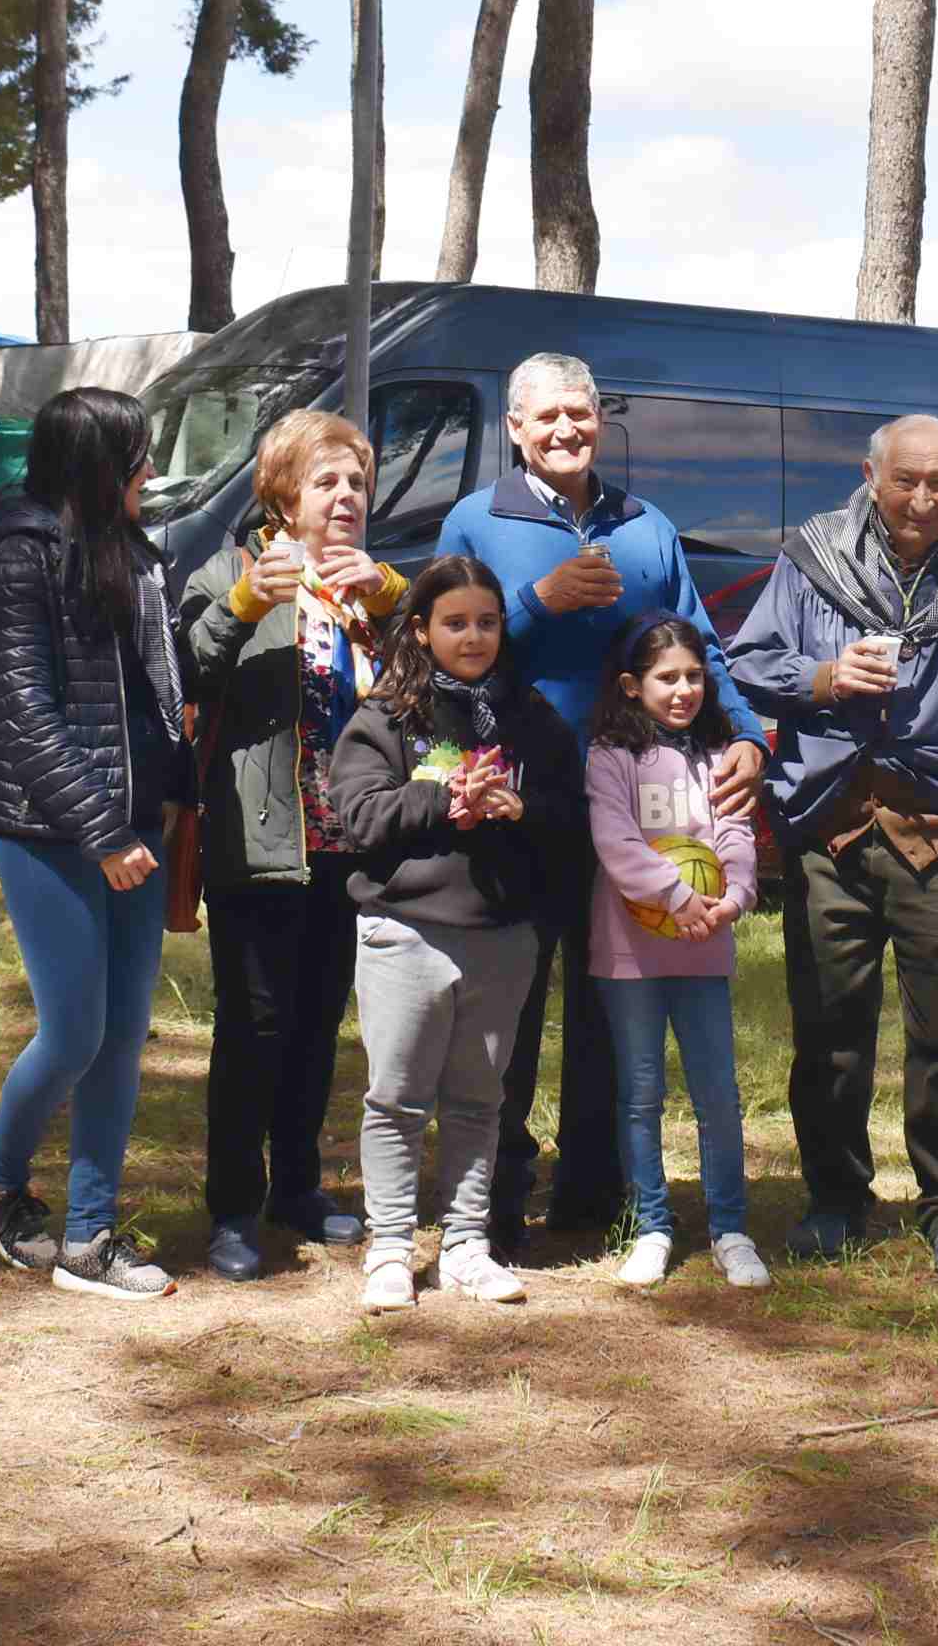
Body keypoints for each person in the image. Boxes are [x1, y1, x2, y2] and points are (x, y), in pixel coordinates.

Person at [728, 415, 938, 1278]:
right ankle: (835, 1196)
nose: (922, 500)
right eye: (905, 481)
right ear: (871, 475)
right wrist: (824, 678)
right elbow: (745, 661)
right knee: (829, 1028)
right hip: (830, 827)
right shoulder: (813, 555)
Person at [437, 353, 770, 1254]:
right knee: (504, 1007)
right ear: (513, 427)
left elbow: (698, 642)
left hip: (640, 805)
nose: (563, 432)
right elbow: (445, 649)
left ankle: (599, 1197)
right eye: (545, 418)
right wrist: (537, 602)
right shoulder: (477, 519)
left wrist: (749, 736)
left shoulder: (644, 524)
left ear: (597, 421)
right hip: (523, 802)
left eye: (578, 416)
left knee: (608, 1011)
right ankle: (493, 1204)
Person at [0, 387, 191, 1303]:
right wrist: (100, 829)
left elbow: (155, 687)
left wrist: (171, 801)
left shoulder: (134, 549)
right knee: (75, 1032)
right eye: (137, 455)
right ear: (98, 465)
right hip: (53, 828)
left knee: (125, 1036)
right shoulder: (24, 552)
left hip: (136, 826)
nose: (151, 471)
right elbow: (24, 706)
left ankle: (92, 1233)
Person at [178, 409, 409, 1282]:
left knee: (317, 1024)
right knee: (254, 1028)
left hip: (351, 846)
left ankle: (298, 1190)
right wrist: (244, 604)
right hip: (263, 840)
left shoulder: (371, 585)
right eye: (327, 481)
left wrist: (391, 600)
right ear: (282, 493)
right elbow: (187, 667)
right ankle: (234, 1207)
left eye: (356, 481)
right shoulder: (231, 571)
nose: (346, 496)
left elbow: (436, 675)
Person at [330, 556, 582, 1313]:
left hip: (501, 935)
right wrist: (441, 799)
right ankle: (391, 1248)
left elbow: (570, 811)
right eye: (455, 623)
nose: (473, 638)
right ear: (420, 629)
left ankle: (468, 1243)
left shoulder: (529, 716)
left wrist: (520, 809)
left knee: (481, 1100)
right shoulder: (386, 716)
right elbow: (360, 817)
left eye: (487, 623)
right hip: (403, 933)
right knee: (398, 1098)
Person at [586, 617, 767, 1289]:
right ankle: (653, 1225)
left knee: (717, 1094)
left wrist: (734, 898)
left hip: (704, 948)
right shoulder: (609, 755)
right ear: (633, 686)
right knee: (641, 1094)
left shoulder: (719, 751)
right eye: (667, 677)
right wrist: (674, 895)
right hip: (628, 955)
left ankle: (731, 1227)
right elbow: (616, 842)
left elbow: (735, 834)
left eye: (694, 675)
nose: (683, 689)